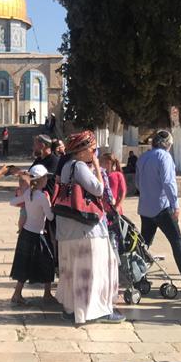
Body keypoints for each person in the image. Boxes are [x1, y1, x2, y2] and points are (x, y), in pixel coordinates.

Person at [55, 131, 125, 325]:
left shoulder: (67, 166)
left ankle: (72, 309)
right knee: (95, 269)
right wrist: (96, 166)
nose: (95, 153)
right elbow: (98, 189)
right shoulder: (79, 166)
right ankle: (97, 310)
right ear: (82, 150)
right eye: (93, 150)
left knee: (73, 272)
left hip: (68, 228)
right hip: (86, 229)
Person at [135, 130, 181, 289]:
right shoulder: (165, 157)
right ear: (167, 144)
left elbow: (137, 183)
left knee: (144, 244)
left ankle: (138, 276)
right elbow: (168, 182)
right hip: (162, 207)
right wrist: (175, 205)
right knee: (176, 240)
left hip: (145, 207)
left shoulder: (143, 158)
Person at [8, 164, 56, 305]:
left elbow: (12, 202)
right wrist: (51, 206)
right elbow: (50, 217)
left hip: (26, 233)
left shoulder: (28, 193)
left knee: (23, 264)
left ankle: (17, 294)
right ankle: (47, 294)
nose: (47, 179)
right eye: (45, 177)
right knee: (48, 262)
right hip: (38, 235)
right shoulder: (42, 197)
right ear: (41, 179)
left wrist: (24, 202)